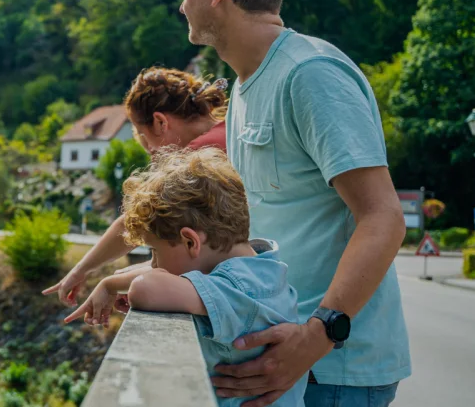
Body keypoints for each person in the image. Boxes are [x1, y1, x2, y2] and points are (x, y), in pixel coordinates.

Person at [177, 0, 409, 407]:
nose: (183, 5)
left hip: (332, 372)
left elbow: (383, 218)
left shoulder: (310, 74)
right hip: (284, 366)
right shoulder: (242, 87)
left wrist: (316, 336)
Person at [64, 147, 307, 407]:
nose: (153, 264)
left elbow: (145, 289)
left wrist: (116, 283)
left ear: (190, 242)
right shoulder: (263, 267)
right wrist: (110, 283)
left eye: (155, 252)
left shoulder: (239, 288)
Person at [43, 67, 228, 305]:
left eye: (147, 140)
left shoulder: (198, 157)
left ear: (160, 122)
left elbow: (139, 220)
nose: (152, 156)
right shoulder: (228, 132)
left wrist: (81, 270)